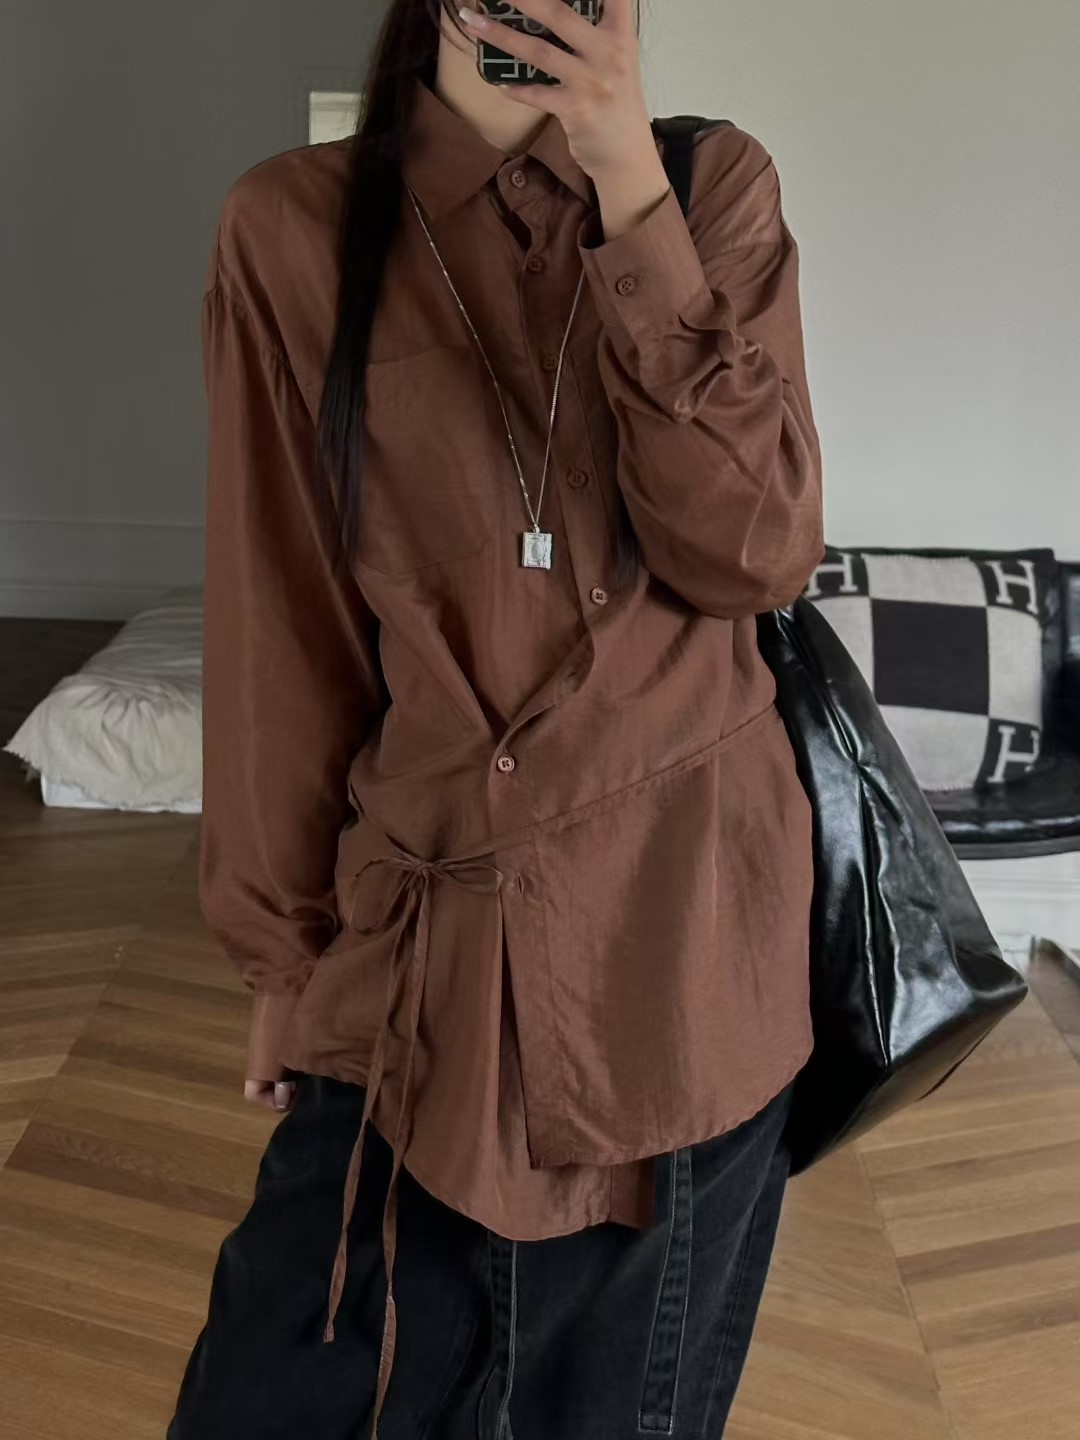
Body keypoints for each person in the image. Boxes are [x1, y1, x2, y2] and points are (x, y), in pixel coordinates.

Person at [168, 0, 824, 1435]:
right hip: (419, 958)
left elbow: (754, 553)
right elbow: (282, 621)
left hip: (686, 959)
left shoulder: (711, 188)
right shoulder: (291, 227)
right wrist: (279, 951)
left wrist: (628, 187)